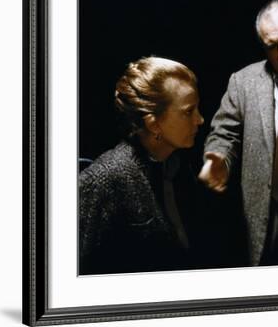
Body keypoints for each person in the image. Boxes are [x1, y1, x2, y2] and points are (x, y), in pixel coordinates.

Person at [198, 0, 278, 266]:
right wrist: (217, 158)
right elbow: (225, 132)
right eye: (272, 46)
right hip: (269, 209)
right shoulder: (244, 81)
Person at [79, 56, 205, 274]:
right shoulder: (105, 179)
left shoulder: (180, 166)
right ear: (153, 123)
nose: (200, 120)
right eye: (188, 112)